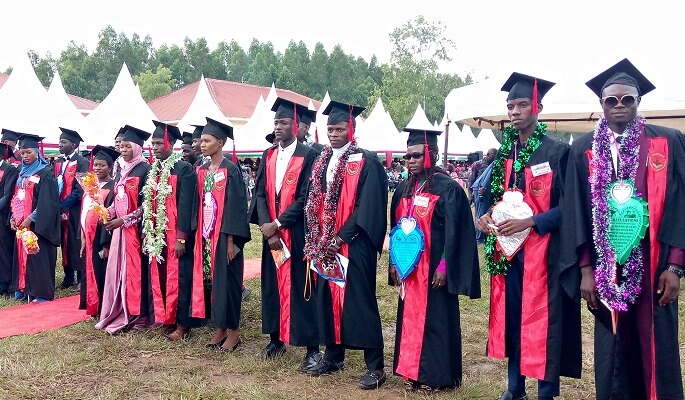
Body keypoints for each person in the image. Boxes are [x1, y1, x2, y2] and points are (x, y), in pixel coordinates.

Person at [559, 59, 685, 400]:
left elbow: (680, 203)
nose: (619, 105)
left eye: (627, 99)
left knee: (655, 341)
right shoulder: (583, 149)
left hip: (654, 265)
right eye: (611, 100)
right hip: (605, 267)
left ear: (638, 101)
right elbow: (575, 212)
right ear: (601, 104)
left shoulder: (667, 142)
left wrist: (675, 265)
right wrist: (585, 269)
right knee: (612, 346)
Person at [476, 73, 580, 400]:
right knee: (514, 317)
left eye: (522, 104)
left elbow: (570, 206)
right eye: (511, 106)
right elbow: (496, 196)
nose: (515, 111)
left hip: (544, 252)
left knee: (543, 320)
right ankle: (515, 387)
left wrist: (532, 221)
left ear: (538, 107)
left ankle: (546, 391)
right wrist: (485, 216)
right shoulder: (505, 153)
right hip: (509, 251)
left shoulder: (558, 152)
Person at [303, 100, 389, 390]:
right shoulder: (322, 160)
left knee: (360, 301)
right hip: (324, 245)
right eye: (330, 129)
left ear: (351, 129)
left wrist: (340, 237)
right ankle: (333, 356)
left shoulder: (367, 161)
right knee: (327, 299)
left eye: (339, 129)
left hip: (355, 244)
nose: (334, 134)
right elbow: (314, 200)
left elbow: (368, 205)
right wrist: (319, 237)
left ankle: (375, 367)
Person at [389, 124, 480, 392]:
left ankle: (436, 377)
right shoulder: (405, 187)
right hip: (409, 269)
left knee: (435, 322)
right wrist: (394, 262)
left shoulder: (448, 188)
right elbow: (395, 229)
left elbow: (456, 233)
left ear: (433, 154)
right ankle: (411, 372)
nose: (410, 161)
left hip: (433, 269)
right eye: (407, 156)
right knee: (408, 319)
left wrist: (443, 265)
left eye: (416, 155)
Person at [249, 98, 320, 370]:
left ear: (296, 125)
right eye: (276, 122)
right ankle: (276, 339)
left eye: (284, 122)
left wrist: (278, 223)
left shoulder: (308, 155)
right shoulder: (268, 155)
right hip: (273, 237)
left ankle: (311, 347)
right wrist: (268, 229)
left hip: (297, 233)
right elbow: (260, 194)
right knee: (272, 286)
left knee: (303, 287)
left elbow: (306, 197)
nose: (278, 127)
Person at [189, 117, 251, 352]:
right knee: (214, 283)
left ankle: (233, 333)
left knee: (228, 284)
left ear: (221, 143)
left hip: (225, 237)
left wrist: (232, 241)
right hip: (205, 237)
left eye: (207, 140)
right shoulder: (202, 169)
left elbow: (236, 206)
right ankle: (220, 329)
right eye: (201, 140)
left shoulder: (231, 169)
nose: (202, 144)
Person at [143, 121, 200, 340]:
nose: (155, 147)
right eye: (153, 143)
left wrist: (182, 237)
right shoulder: (153, 170)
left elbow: (187, 205)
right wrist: (148, 233)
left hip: (176, 234)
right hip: (158, 234)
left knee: (181, 278)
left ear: (171, 143)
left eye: (159, 143)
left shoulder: (184, 169)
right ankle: (166, 318)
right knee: (160, 276)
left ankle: (183, 325)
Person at [95, 125, 151, 334]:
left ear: (137, 147)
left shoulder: (145, 169)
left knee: (135, 272)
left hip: (135, 231)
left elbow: (147, 205)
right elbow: (117, 200)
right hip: (119, 231)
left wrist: (124, 220)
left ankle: (138, 314)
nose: (124, 150)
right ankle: (119, 308)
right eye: (122, 146)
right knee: (118, 271)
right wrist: (107, 212)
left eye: (128, 146)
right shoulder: (121, 169)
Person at [10, 134, 60, 302]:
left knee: (38, 257)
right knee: (23, 256)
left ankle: (41, 293)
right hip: (21, 224)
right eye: (22, 153)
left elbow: (48, 202)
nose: (25, 156)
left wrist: (30, 219)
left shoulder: (45, 173)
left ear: (37, 152)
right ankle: (23, 289)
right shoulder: (21, 173)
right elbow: (16, 197)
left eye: (29, 152)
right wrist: (13, 217)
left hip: (39, 226)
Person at [79, 145, 117, 317]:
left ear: (110, 167)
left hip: (101, 237)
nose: (97, 168)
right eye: (95, 165)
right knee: (89, 269)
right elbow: (84, 212)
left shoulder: (113, 186)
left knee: (101, 271)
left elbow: (110, 214)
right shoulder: (90, 186)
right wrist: (82, 237)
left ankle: (102, 307)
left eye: (102, 165)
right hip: (88, 236)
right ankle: (91, 305)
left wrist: (106, 243)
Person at [54, 128, 89, 290]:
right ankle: (68, 277)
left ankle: (81, 278)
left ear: (74, 145)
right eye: (59, 141)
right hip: (60, 209)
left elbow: (80, 189)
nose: (60, 144)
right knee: (64, 242)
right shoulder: (58, 162)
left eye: (64, 142)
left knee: (76, 242)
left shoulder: (82, 162)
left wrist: (63, 206)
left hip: (75, 209)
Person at [0, 143, 19, 295]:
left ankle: (5, 283)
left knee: (3, 249)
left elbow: (7, 195)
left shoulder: (10, 170)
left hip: (3, 215)